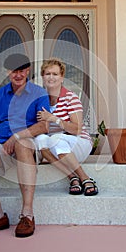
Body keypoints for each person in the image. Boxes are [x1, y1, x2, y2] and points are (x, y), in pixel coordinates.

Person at [0, 53, 50, 238]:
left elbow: (43, 125)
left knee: (21, 144)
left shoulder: (39, 93)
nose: (18, 75)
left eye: (22, 70)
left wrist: (17, 136)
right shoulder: (0, 94)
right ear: (8, 72)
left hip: (28, 144)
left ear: (27, 71)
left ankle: (27, 214)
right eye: (14, 71)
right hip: (3, 146)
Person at [35, 57, 98, 196]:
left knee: (56, 138)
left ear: (62, 77)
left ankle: (85, 177)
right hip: (57, 148)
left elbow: (77, 129)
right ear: (43, 77)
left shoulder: (70, 97)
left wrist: (53, 119)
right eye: (47, 74)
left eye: (55, 74)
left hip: (79, 144)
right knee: (39, 139)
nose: (51, 77)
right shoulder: (41, 100)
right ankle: (72, 177)